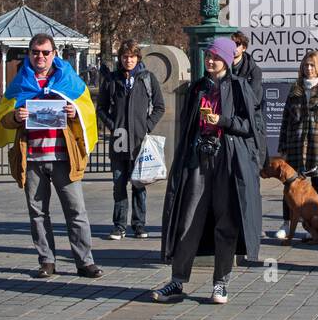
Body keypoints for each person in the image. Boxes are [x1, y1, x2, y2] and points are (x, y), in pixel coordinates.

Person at [152, 38, 263, 304]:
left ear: (226, 59)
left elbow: (250, 126)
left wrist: (222, 121)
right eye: (208, 56)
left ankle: (221, 283)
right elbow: (187, 125)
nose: (210, 61)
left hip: (228, 160)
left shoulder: (239, 87)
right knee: (188, 217)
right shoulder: (198, 88)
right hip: (199, 159)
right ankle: (177, 280)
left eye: (215, 57)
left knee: (226, 222)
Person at [0, 34, 102, 279]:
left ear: (54, 54)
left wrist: (74, 112)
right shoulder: (20, 83)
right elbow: (1, 117)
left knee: (76, 211)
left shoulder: (68, 80)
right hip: (32, 158)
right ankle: (47, 261)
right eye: (35, 52)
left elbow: (87, 111)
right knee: (38, 213)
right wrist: (16, 117)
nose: (40, 56)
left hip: (64, 157)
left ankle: (85, 262)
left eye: (45, 52)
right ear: (29, 54)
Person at [97, 40, 165, 240]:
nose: (128, 60)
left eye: (132, 57)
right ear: (121, 58)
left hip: (139, 140)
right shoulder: (111, 80)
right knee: (119, 184)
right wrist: (112, 125)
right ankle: (119, 225)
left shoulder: (147, 79)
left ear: (138, 58)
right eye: (125, 57)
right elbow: (100, 107)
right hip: (119, 139)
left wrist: (147, 126)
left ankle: (139, 224)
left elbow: (159, 106)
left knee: (139, 184)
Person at [272, 48, 318, 241]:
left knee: (316, 186)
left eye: (312, 65)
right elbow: (285, 120)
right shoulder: (295, 90)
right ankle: (286, 224)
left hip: (317, 147)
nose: (309, 69)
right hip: (295, 145)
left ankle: (312, 223)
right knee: (289, 186)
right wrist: (282, 146)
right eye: (305, 65)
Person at [229, 32, 266, 162]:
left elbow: (251, 99)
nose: (233, 47)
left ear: (244, 48)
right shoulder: (223, 67)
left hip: (248, 121)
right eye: (230, 44)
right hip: (228, 120)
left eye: (237, 44)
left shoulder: (254, 71)